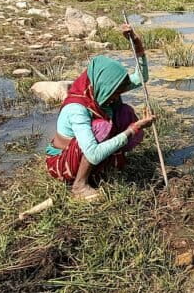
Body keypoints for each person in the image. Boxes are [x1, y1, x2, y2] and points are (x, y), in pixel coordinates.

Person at [45, 25, 156, 199]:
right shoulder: (77, 108)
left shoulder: (99, 93)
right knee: (102, 127)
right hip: (63, 160)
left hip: (85, 152)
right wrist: (132, 129)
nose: (116, 96)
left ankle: (105, 166)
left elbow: (141, 77)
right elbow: (93, 153)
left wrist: (136, 42)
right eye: (115, 93)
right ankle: (79, 186)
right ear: (102, 86)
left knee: (123, 112)